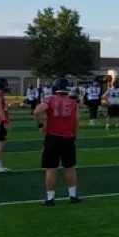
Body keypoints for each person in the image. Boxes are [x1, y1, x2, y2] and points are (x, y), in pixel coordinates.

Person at [34, 76, 81, 205]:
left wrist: (41, 125)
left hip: (52, 137)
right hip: (68, 138)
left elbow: (36, 112)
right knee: (70, 167)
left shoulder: (49, 99)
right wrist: (75, 137)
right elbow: (76, 123)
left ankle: (50, 198)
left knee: (51, 168)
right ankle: (73, 196)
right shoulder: (73, 103)